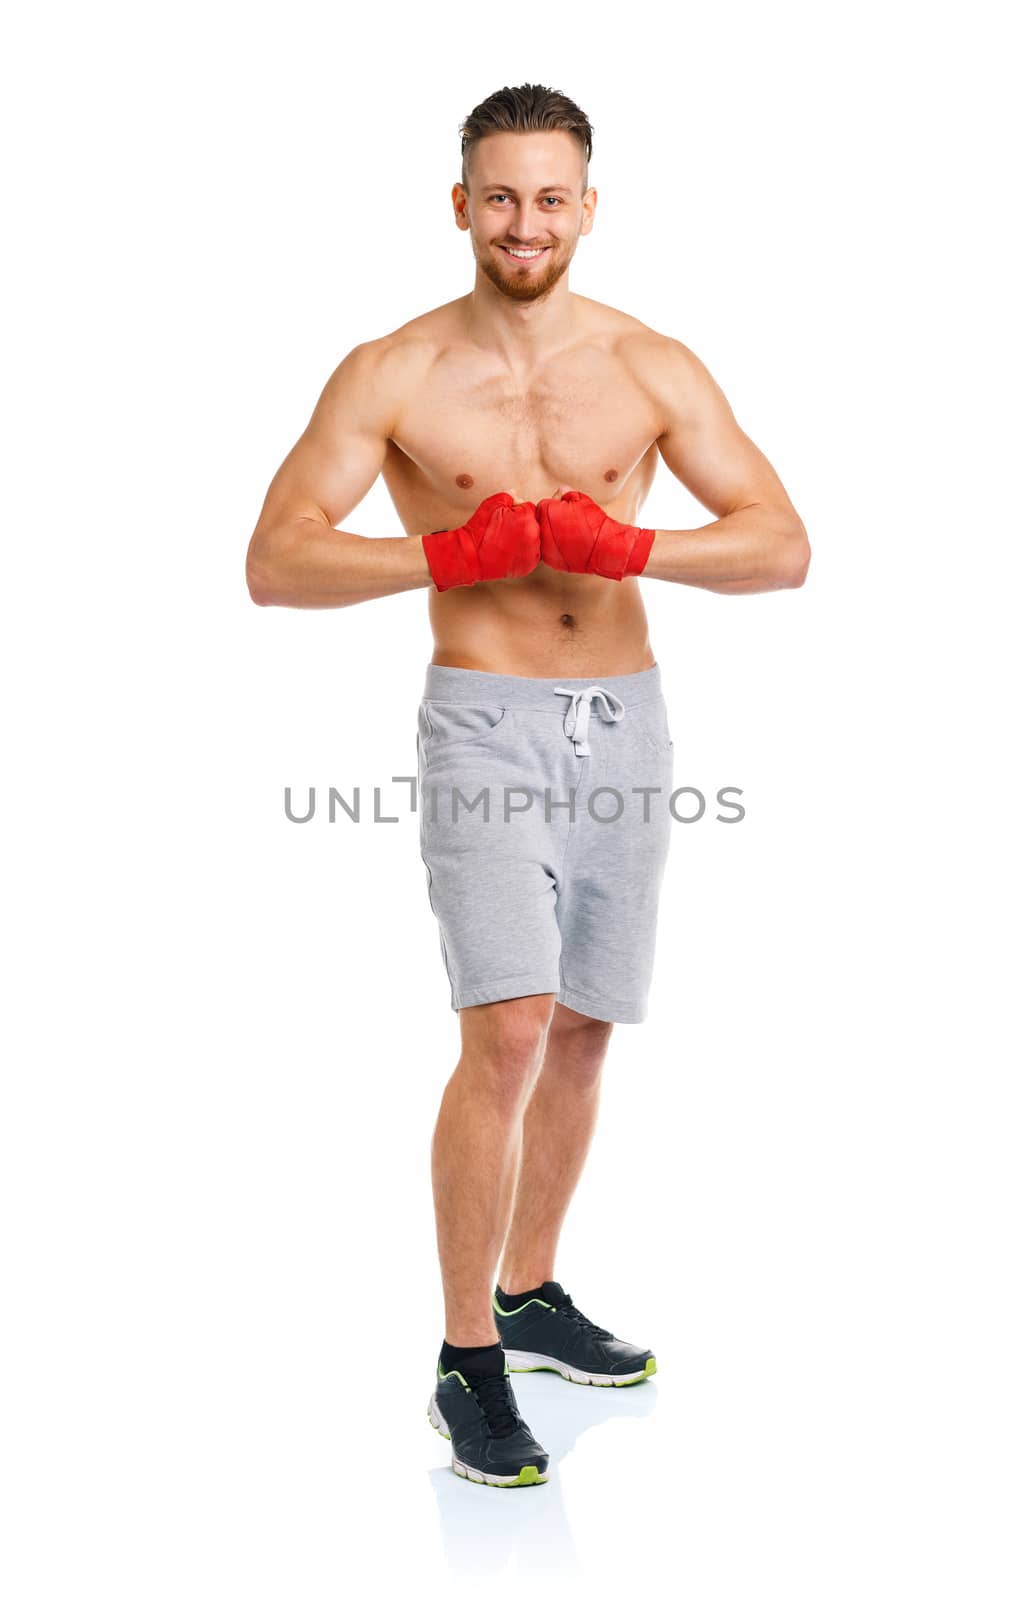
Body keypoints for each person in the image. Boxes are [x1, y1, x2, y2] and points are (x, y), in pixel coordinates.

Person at [245, 82, 810, 1489]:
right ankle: (463, 1360)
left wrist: (631, 548)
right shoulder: (391, 371)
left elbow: (778, 545)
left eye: (549, 197)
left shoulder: (649, 364)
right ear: (459, 205)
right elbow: (276, 561)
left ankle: (530, 1289)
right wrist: (445, 558)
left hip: (625, 721)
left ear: (586, 207)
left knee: (580, 1030)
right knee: (505, 1027)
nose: (523, 222)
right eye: (498, 195)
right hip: (484, 718)